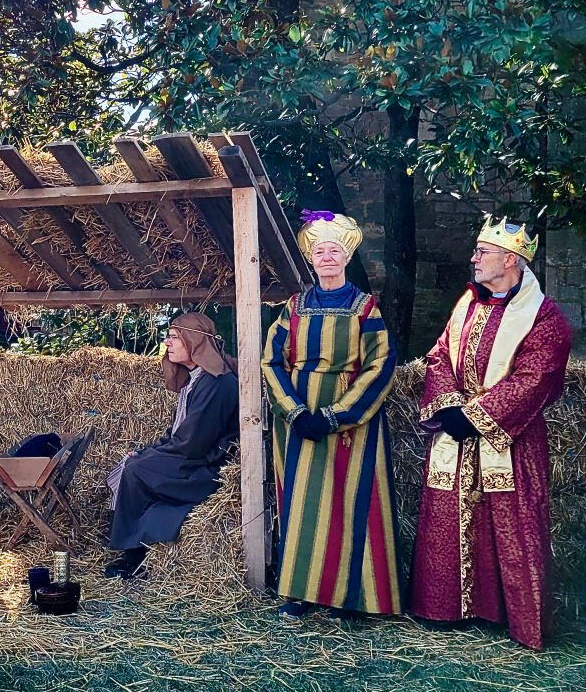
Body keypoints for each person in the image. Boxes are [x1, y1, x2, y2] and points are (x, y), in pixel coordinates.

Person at [411, 215, 572, 649]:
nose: (474, 258)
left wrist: (477, 416)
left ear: (510, 259)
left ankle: (509, 613)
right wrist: (449, 409)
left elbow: (536, 377)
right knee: (449, 515)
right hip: (457, 431)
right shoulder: (467, 303)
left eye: (482, 252)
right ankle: (446, 607)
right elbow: (440, 355)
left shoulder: (545, 317)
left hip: (509, 440)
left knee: (509, 520)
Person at [264, 211, 402, 620]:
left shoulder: (366, 309)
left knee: (350, 499)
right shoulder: (293, 307)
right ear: (312, 259)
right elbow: (270, 361)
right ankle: (301, 592)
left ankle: (351, 598)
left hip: (350, 422)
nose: (327, 257)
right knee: (303, 503)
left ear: (346, 258)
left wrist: (335, 415)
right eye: (320, 251)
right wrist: (294, 412)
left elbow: (380, 364)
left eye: (334, 251)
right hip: (299, 418)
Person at [103, 311, 241, 579]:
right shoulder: (197, 380)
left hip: (204, 468)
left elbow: (192, 444)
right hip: (189, 458)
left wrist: (147, 459)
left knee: (136, 470)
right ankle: (134, 544)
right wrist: (145, 452)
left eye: (174, 337)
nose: (167, 343)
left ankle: (134, 555)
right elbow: (177, 433)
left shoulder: (218, 384)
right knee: (133, 462)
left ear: (194, 341)